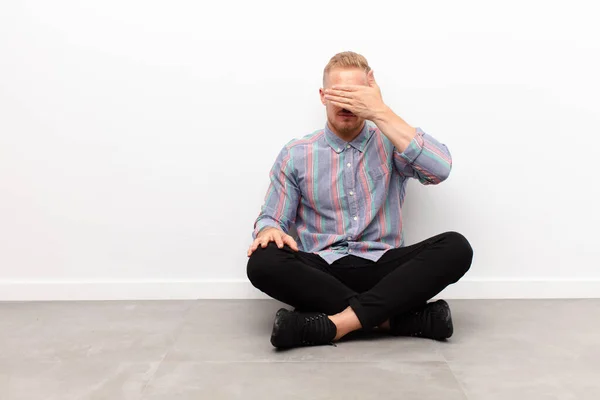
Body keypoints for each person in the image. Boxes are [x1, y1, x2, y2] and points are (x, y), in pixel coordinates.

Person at [246, 51, 473, 349]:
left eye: (356, 94)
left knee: (456, 247)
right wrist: (268, 231)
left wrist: (381, 112)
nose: (346, 102)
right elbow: (272, 218)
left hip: (383, 267)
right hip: (321, 269)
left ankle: (334, 325)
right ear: (323, 96)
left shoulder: (391, 143)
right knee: (262, 261)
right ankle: (394, 319)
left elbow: (440, 168)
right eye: (339, 93)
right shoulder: (296, 153)